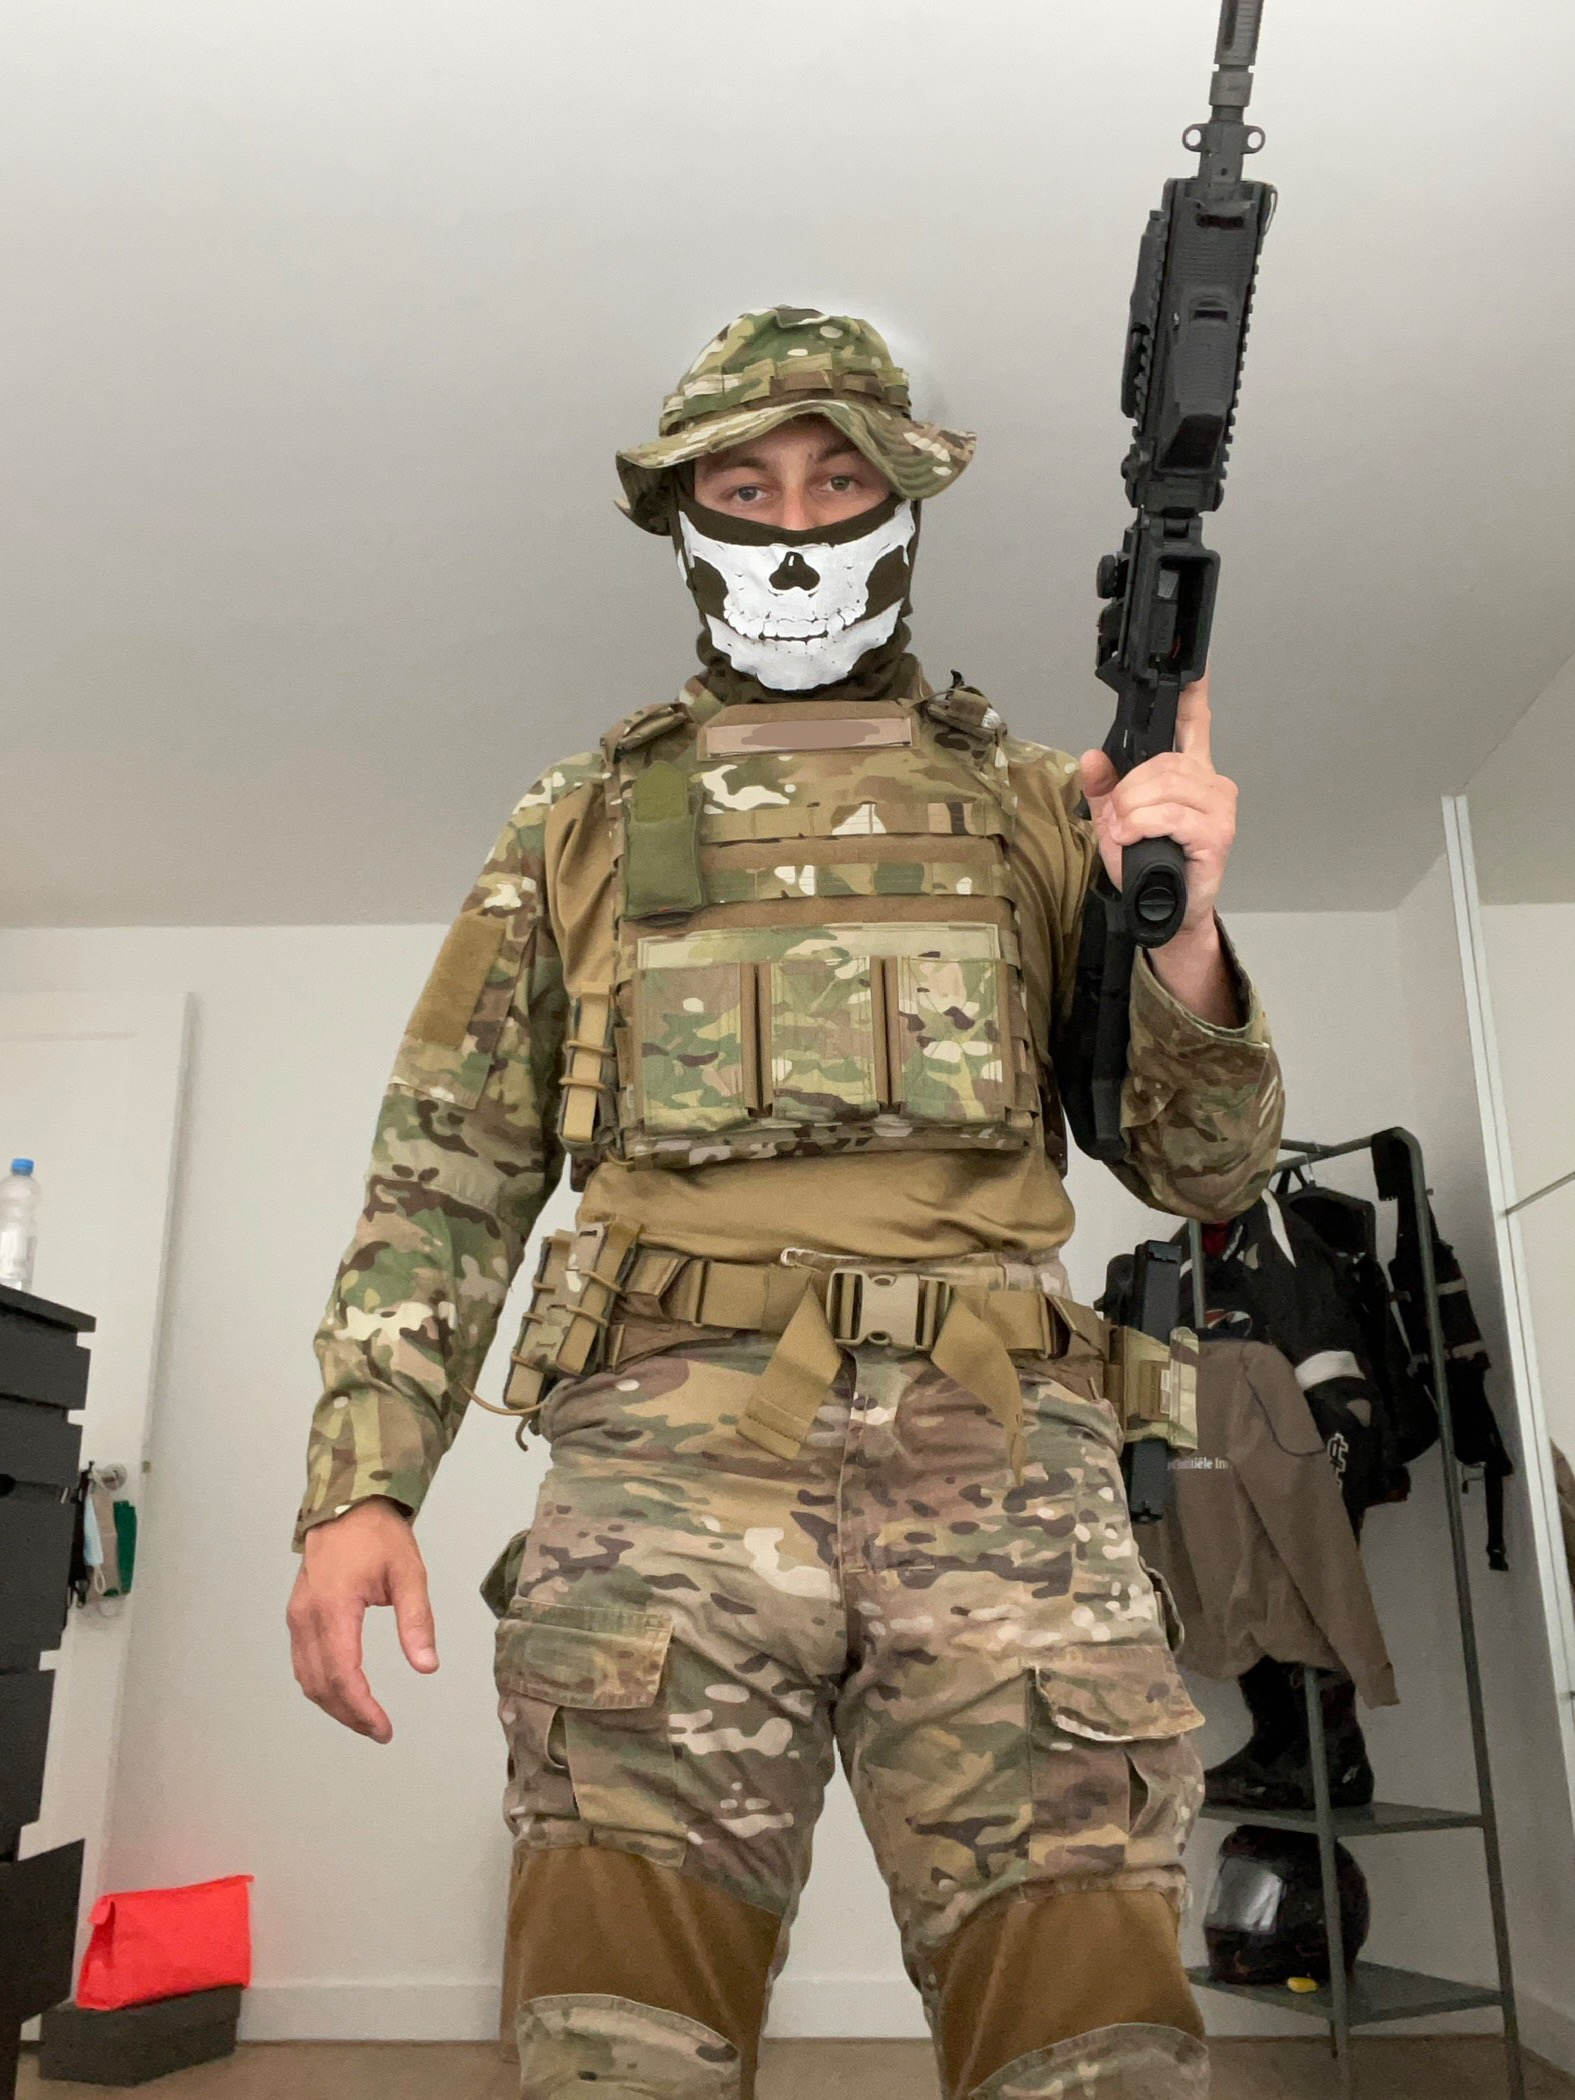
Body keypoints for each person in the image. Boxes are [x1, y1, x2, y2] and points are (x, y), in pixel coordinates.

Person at [287, 307, 1284, 2100]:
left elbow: (1203, 1172)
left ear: (904, 511)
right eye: (746, 491)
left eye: (841, 485)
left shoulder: (1037, 804)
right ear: (685, 522)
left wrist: (1183, 929)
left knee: (1095, 2047)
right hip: (666, 1473)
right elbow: (445, 1173)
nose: (798, 527)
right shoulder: (578, 819)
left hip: (1003, 1462)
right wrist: (362, 1483)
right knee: (614, 2049)